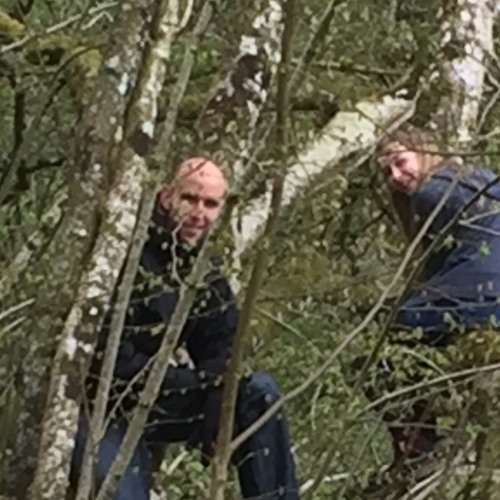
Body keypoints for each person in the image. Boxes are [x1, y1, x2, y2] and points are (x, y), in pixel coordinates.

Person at [71, 158, 299, 499]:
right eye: (189, 199)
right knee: (119, 490)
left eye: (210, 204)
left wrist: (217, 396)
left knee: (258, 392)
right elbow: (111, 364)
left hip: (168, 399)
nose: (198, 213)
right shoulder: (126, 252)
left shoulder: (203, 265)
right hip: (105, 408)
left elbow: (226, 343)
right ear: (166, 197)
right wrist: (198, 383)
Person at [353, 124, 500, 477]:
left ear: (423, 151)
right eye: (387, 172)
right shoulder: (478, 176)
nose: (396, 176)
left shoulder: (431, 193)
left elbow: (435, 274)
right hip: (480, 287)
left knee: (370, 355)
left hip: (483, 294)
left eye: (400, 162)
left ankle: (417, 447)